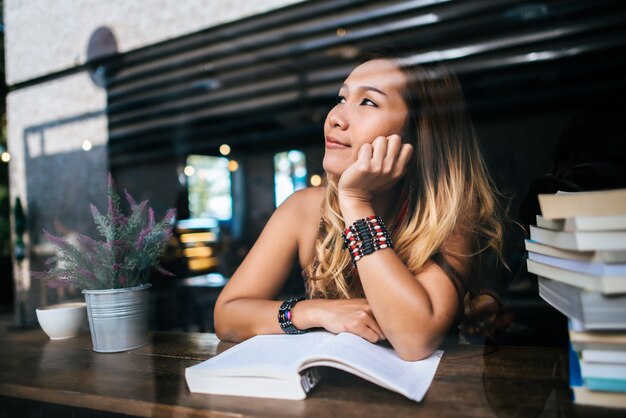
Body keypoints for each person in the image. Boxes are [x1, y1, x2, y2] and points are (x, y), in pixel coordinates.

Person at [214, 51, 506, 361]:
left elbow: (415, 339)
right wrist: (317, 312)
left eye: (368, 102)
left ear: (418, 133)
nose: (335, 118)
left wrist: (356, 203)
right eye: (341, 98)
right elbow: (227, 316)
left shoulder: (451, 213)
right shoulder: (304, 208)